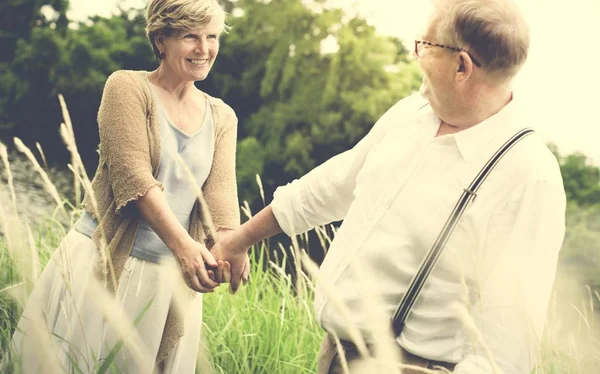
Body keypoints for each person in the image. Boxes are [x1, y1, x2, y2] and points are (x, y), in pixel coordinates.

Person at [211, 0, 566, 372]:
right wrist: (237, 241)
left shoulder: (528, 175)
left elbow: (507, 348)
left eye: (425, 45)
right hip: (336, 355)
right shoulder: (411, 114)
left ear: (462, 65)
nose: (415, 55)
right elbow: (332, 186)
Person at [10, 0, 248, 372]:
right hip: (105, 265)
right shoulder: (126, 87)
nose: (204, 49)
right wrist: (184, 247)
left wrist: (233, 244)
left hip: (169, 277)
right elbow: (134, 181)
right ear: (161, 40)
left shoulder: (223, 117)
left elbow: (219, 196)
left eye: (212, 37)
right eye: (190, 36)